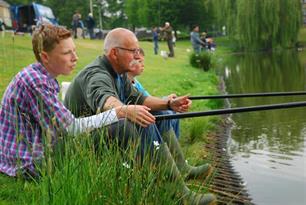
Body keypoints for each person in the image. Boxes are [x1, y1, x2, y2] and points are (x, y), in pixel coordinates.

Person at [64, 28, 216, 205]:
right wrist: (126, 110)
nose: (137, 56)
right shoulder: (97, 74)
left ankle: (179, 169)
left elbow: (141, 98)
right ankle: (177, 194)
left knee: (155, 112)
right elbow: (106, 100)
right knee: (135, 119)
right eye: (133, 51)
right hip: (77, 145)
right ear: (115, 53)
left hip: (98, 133)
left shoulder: (119, 74)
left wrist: (168, 104)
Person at [0, 24, 120, 180]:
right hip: (29, 164)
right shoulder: (36, 82)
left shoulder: (40, 75)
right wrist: (118, 112)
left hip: (30, 155)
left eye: (74, 51)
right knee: (119, 127)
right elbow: (71, 128)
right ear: (45, 57)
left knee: (109, 128)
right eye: (67, 53)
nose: (75, 58)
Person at [127, 48, 180, 138]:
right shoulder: (127, 84)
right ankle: (165, 142)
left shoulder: (136, 82)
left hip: (148, 107)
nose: (143, 65)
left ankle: (173, 141)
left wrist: (166, 99)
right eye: (139, 61)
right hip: (142, 111)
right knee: (167, 114)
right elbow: (145, 103)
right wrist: (166, 102)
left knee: (175, 113)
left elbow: (148, 98)